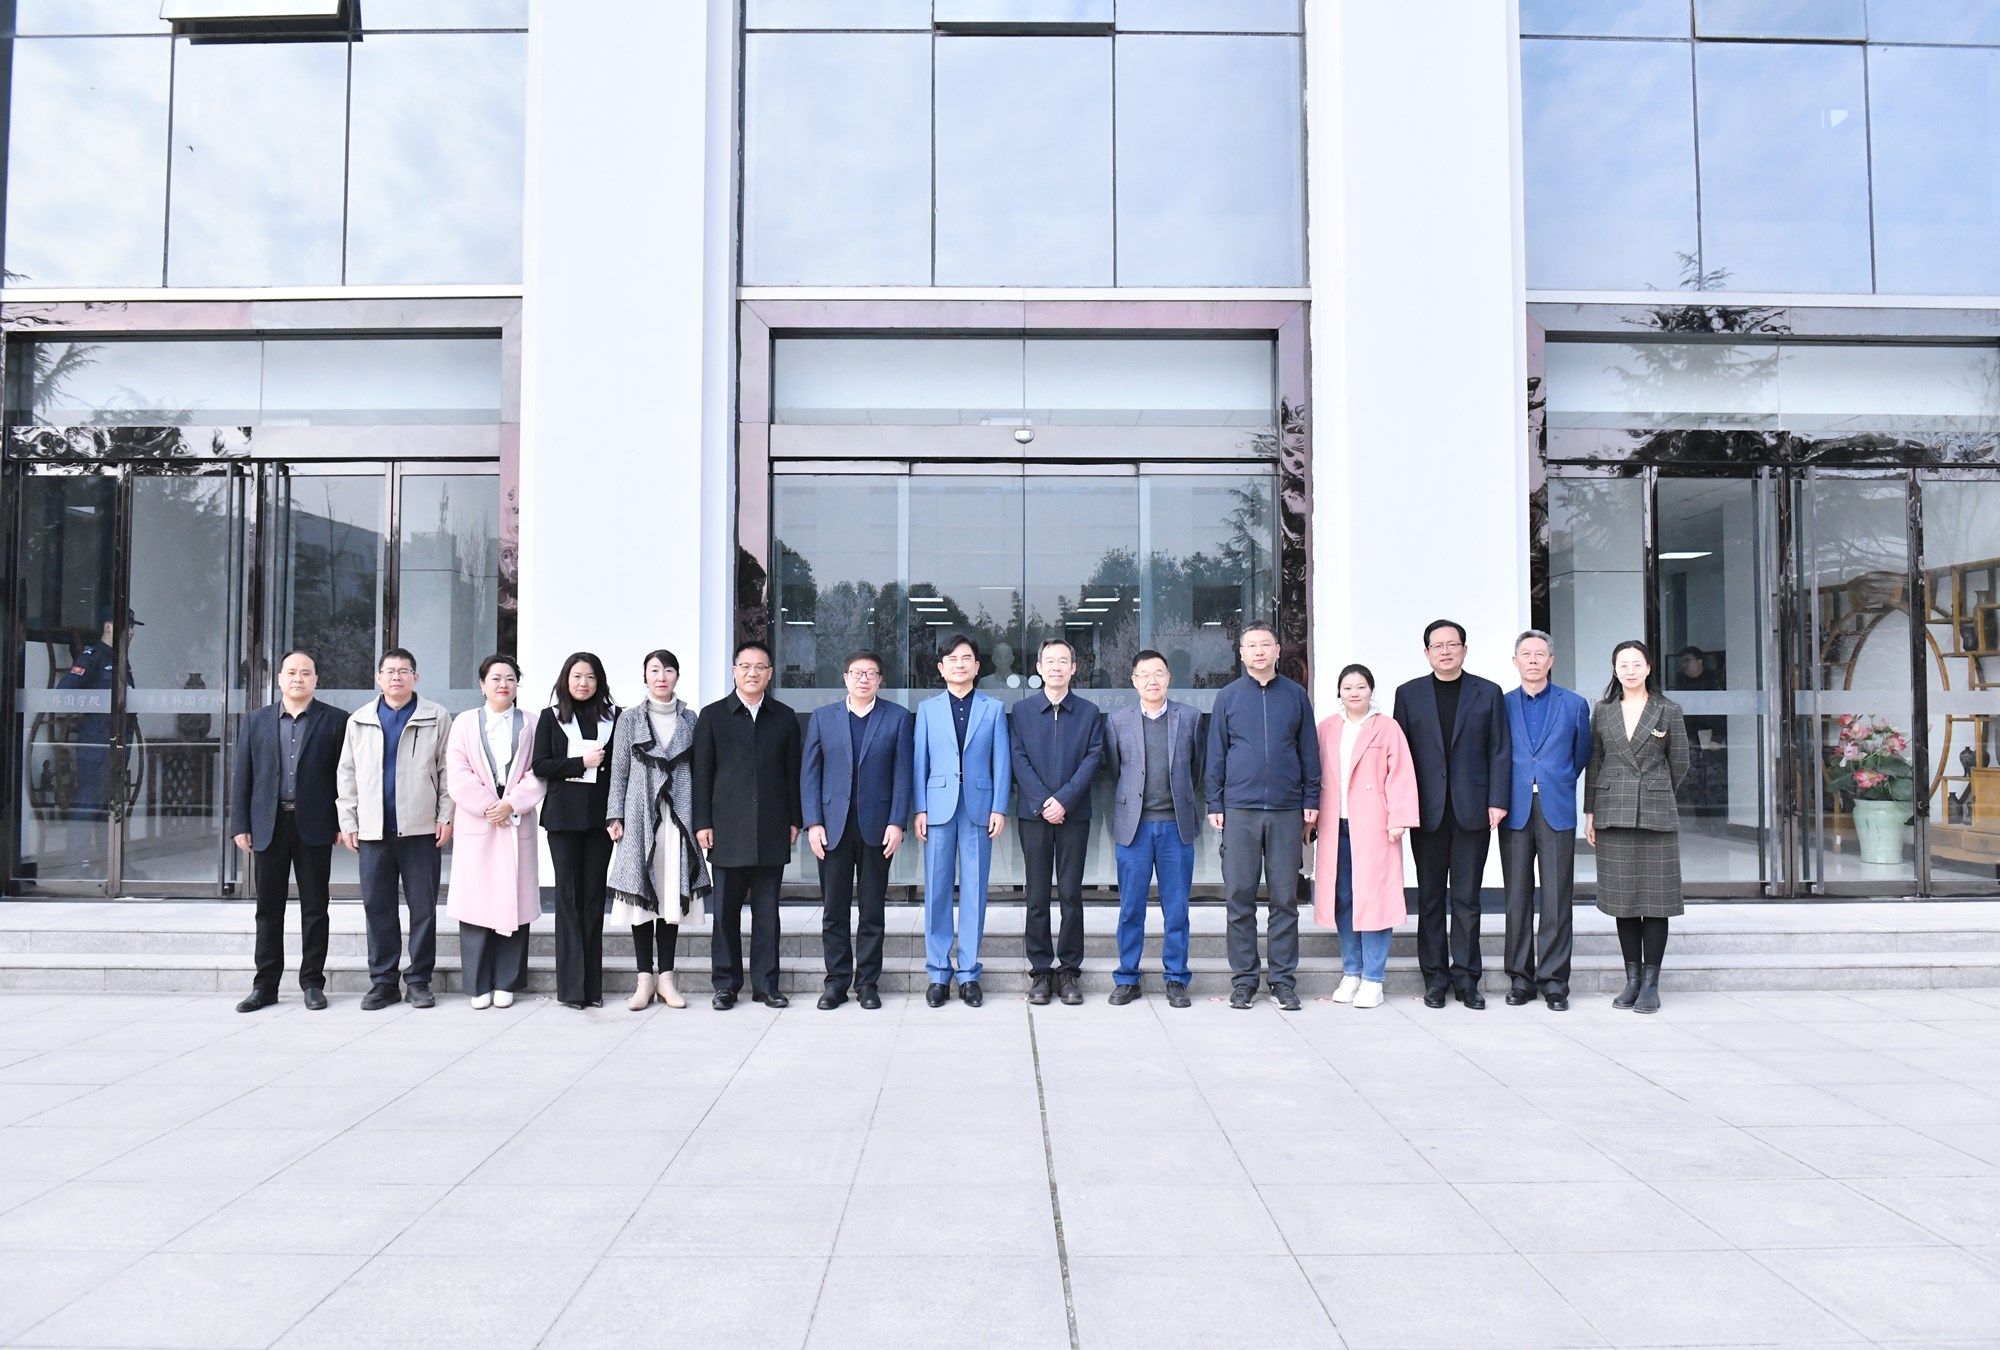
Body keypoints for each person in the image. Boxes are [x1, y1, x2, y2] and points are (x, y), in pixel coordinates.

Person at [1392, 619, 1511, 1011]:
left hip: (1472, 810)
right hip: (1426, 813)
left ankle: (1466, 979)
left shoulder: (1488, 692)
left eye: (1452, 644)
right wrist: (1401, 807)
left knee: (1467, 899)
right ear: (1426, 652)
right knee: (1429, 899)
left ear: (1464, 649)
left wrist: (1497, 800)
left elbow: (1499, 750)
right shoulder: (1408, 694)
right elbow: (1400, 758)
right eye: (1437, 645)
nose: (1445, 651)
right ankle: (1434, 979)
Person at [1205, 622, 1320, 1012]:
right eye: (1251, 645)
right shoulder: (1228, 697)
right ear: (1241, 653)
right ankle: (1244, 980)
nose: (1258, 651)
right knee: (1239, 896)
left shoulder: (1296, 696)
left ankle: (1283, 980)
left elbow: (1309, 751)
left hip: (1287, 810)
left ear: (1277, 650)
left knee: (1285, 898)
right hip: (1240, 808)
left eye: (1265, 644)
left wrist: (1311, 798)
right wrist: (1215, 802)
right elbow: (1216, 754)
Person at [335, 647, 453, 1012]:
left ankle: (418, 981)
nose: (396, 677)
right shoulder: (360, 720)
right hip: (374, 830)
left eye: (404, 671)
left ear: (416, 677)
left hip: (420, 829)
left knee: (423, 908)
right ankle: (383, 982)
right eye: (390, 671)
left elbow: (448, 770)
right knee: (378, 906)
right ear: (378, 678)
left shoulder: (436, 716)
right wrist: (348, 820)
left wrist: (445, 815)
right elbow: (347, 774)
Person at [230, 649, 344, 1013]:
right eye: (291, 672)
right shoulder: (255, 720)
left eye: (306, 672)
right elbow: (243, 775)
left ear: (316, 680)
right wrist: (240, 824)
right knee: (268, 909)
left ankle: (312, 983)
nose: (298, 678)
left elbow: (344, 777)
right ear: (279, 679)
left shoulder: (335, 720)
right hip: (269, 824)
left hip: (314, 825)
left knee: (316, 908)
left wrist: (343, 823)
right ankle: (265, 986)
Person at [693, 640, 803, 1010]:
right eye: (745, 666)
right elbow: (702, 773)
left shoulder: (784, 716)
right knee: (725, 912)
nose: (752, 673)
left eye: (760, 667)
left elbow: (792, 773)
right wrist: (702, 821)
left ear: (770, 674)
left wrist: (795, 818)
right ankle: (726, 985)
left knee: (767, 914)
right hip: (726, 828)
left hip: (772, 826)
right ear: (734, 671)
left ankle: (766, 985)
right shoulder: (712, 716)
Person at [801, 651, 913, 1011]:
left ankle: (867, 983)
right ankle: (836, 982)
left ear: (880, 680)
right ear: (845, 677)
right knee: (833, 909)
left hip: (877, 828)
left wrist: (897, 822)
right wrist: (813, 822)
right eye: (857, 673)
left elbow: (903, 775)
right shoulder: (823, 718)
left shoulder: (897, 718)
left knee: (872, 909)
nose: (863, 679)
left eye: (871, 673)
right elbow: (810, 774)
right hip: (832, 829)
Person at [1585, 639, 1691, 1015]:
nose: (1629, 671)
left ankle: (1650, 983)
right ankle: (1631, 979)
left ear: (1648, 668)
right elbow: (1594, 763)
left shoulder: (1668, 710)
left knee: (1656, 901)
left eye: (1636, 664)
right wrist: (1590, 812)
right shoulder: (1603, 711)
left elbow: (1680, 762)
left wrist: (1654, 789)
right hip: (1612, 812)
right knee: (1623, 900)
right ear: (1615, 670)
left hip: (1655, 814)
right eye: (1622, 665)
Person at [606, 649, 710, 1011]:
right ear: (645, 676)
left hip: (678, 817)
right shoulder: (629, 719)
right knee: (642, 895)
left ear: (677, 676)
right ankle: (644, 979)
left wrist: (702, 821)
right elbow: (619, 770)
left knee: (670, 894)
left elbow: (701, 772)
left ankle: (666, 978)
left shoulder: (691, 719)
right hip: (640, 817)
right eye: (654, 670)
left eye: (668, 670)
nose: (661, 677)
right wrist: (614, 815)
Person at [1101, 649, 1205, 1008]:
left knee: (1176, 908)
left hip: (1176, 826)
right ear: (1134, 681)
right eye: (1144, 674)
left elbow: (1196, 769)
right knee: (1131, 907)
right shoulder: (1117, 721)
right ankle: (1127, 977)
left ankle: (1176, 978)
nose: (1152, 680)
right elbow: (1115, 770)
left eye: (1158, 673)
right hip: (1135, 828)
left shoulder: (1189, 718)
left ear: (1169, 677)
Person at [912, 633, 1011, 1008]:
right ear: (941, 668)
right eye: (951, 659)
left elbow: (1002, 761)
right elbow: (919, 761)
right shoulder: (927, 709)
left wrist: (999, 807)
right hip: (938, 808)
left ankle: (969, 973)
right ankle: (938, 973)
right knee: (936, 891)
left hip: (978, 808)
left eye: (966, 658)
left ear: (977, 666)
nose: (959, 664)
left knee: (975, 890)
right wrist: (920, 808)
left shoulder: (993, 708)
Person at [444, 655, 547, 1009]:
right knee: (476, 903)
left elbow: (538, 771)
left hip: (516, 820)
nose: (503, 684)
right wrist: (490, 806)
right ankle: (477, 984)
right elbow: (457, 771)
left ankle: (507, 981)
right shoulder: (464, 723)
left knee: (514, 903)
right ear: (482, 684)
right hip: (479, 822)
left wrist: (512, 803)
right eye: (496, 678)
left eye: (510, 678)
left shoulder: (531, 723)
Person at [1313, 664, 1419, 1010]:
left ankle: (1373, 978)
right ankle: (1351, 972)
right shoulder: (1327, 728)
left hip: (1375, 826)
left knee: (1374, 899)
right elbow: (1315, 774)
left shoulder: (1386, 728)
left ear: (1371, 690)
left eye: (1360, 686)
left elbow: (1400, 774)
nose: (1354, 693)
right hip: (1336, 826)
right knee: (1343, 898)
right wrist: (1309, 818)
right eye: (1347, 687)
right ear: (1339, 692)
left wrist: (1399, 818)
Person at [1500, 630, 1593, 1012]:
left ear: (1551, 661)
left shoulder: (1574, 704)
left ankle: (1554, 981)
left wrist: (1560, 778)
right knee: (1516, 897)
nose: (1534, 660)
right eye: (1526, 654)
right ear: (1515, 661)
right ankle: (1520, 979)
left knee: (1557, 898)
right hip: (1514, 807)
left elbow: (1582, 753)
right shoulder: (1501, 704)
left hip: (1556, 805)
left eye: (1540, 654)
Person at [1010, 639, 1105, 1007]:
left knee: (1070, 893)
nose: (1056, 667)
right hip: (1033, 815)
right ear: (1038, 667)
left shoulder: (1088, 712)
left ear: (1074, 668)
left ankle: (1068, 970)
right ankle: (1039, 971)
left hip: (1074, 815)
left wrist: (1063, 800)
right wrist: (1043, 802)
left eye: (1063, 661)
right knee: (1036, 894)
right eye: (1049, 661)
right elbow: (1018, 759)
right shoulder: (1021, 711)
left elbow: (1092, 760)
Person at [533, 652, 617, 1010]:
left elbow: (620, 771)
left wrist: (617, 815)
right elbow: (540, 765)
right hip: (563, 820)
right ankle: (571, 989)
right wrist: (580, 763)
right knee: (567, 897)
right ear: (565, 680)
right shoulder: (551, 717)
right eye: (577, 676)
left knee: (594, 897)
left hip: (600, 821)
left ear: (600, 682)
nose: (583, 683)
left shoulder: (615, 717)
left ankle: (592, 987)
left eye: (591, 677)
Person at [55, 606, 138, 874]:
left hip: (117, 746)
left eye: (132, 627)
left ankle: (111, 867)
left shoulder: (120, 660)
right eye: (127, 626)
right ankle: (74, 866)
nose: (131, 632)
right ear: (109, 627)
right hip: (96, 744)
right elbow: (64, 693)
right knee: (88, 804)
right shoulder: (91, 657)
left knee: (109, 806)